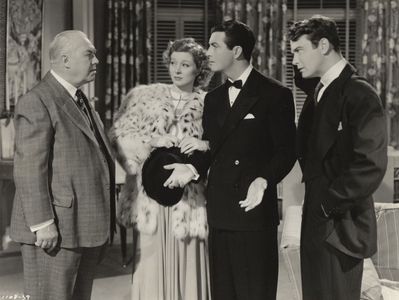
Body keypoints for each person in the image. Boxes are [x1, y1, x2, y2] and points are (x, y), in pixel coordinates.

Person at [165, 20, 297, 300]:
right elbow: (214, 149)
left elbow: (287, 151)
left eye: (214, 45)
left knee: (254, 293)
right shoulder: (213, 99)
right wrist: (190, 167)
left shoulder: (275, 94)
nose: (207, 52)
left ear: (236, 51)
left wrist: (265, 179)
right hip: (221, 211)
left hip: (254, 214)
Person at [10, 30, 115, 300]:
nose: (97, 61)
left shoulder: (79, 99)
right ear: (66, 60)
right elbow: (29, 168)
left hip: (84, 225)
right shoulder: (37, 101)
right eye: (89, 54)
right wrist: (42, 223)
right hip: (56, 230)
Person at [288, 15, 388, 300]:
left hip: (341, 225)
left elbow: (370, 163)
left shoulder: (359, 92)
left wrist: (327, 204)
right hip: (318, 222)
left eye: (298, 50)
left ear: (323, 45)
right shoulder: (320, 90)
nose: (293, 60)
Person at [109, 38, 212, 300]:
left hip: (189, 197)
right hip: (150, 196)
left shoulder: (210, 103)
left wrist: (200, 145)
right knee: (151, 259)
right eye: (173, 63)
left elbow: (220, 145)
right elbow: (119, 137)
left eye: (185, 64)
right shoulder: (144, 97)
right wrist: (152, 142)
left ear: (198, 69)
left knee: (188, 254)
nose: (177, 69)